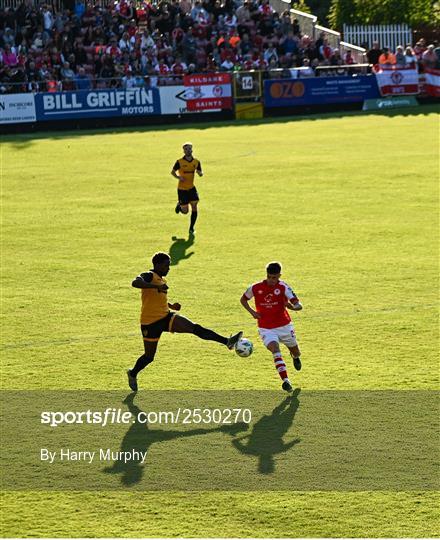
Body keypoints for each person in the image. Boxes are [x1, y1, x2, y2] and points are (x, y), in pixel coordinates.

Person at [127, 252, 242, 391]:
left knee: (195, 328)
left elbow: (155, 298)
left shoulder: (162, 280)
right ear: (157, 265)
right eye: (166, 265)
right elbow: (135, 282)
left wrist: (171, 306)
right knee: (149, 357)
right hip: (150, 323)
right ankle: (132, 373)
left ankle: (227, 342)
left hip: (166, 317)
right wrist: (156, 287)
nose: (168, 268)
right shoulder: (149, 276)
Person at [240, 262, 303, 393]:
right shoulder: (256, 287)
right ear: (266, 275)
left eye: (274, 278)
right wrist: (252, 312)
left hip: (285, 326)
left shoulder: (283, 287)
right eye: (269, 277)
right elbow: (243, 299)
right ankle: (286, 381)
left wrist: (292, 307)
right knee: (275, 349)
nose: (271, 280)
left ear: (279, 276)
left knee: (296, 351)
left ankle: (295, 357)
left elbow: (298, 305)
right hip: (266, 328)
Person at [171, 142, 203, 235]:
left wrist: (200, 173)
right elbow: (172, 172)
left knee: (194, 206)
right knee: (185, 212)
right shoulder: (179, 162)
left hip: (192, 188)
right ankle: (179, 205)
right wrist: (178, 177)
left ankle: (191, 228)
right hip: (182, 190)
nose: (188, 150)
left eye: (189, 148)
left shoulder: (196, 162)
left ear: (192, 149)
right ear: (183, 151)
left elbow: (200, 172)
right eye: (186, 149)